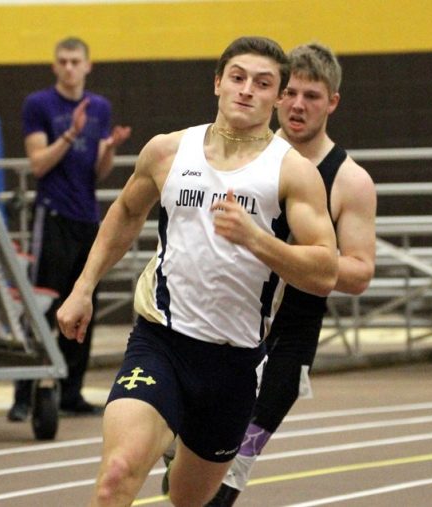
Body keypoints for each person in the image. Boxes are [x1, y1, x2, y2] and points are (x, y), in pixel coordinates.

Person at [56, 36, 339, 506]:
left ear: (277, 95)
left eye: (263, 83)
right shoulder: (168, 151)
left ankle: (177, 446)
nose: (247, 90)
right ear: (218, 83)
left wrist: (256, 239)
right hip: (160, 341)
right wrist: (83, 287)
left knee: (190, 501)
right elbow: (126, 213)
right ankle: (161, 425)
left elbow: (325, 270)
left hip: (234, 362)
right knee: (117, 476)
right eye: (238, 77)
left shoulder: (291, 173)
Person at [205, 42, 377, 506]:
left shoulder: (350, 180)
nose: (298, 105)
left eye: (313, 96)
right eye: (292, 93)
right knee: (196, 461)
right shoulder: (244, 154)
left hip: (289, 343)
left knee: (230, 475)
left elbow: (360, 274)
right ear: (277, 94)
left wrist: (290, 254)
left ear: (333, 102)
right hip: (222, 321)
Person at [8, 36, 131, 420]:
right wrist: (71, 133)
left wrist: (109, 148)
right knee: (44, 305)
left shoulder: (100, 107)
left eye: (76, 61)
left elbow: (97, 172)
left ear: (88, 65)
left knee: (82, 303)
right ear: (54, 66)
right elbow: (38, 164)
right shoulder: (39, 104)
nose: (69, 67)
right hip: (53, 215)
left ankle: (71, 392)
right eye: (63, 61)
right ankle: (23, 395)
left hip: (88, 218)